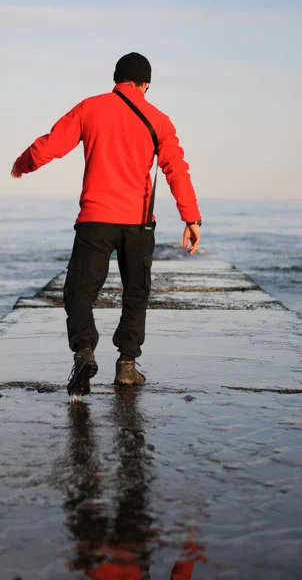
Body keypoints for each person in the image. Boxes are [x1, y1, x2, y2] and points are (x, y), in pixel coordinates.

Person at [11, 52, 202, 397]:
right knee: (136, 294)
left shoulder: (90, 108)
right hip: (139, 224)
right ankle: (127, 367)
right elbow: (176, 169)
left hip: (96, 220)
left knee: (79, 292)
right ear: (145, 84)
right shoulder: (159, 119)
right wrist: (191, 217)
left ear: (116, 80)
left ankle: (84, 352)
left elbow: (51, 145)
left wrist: (23, 165)